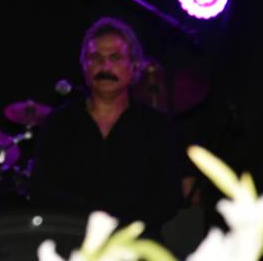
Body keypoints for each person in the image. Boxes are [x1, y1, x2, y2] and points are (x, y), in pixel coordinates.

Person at [31, 17, 184, 235]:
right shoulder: (59, 123)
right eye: (96, 58)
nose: (105, 67)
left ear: (134, 66)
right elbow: (42, 191)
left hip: (136, 245)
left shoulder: (157, 126)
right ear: (84, 66)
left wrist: (123, 228)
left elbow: (168, 197)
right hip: (71, 242)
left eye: (115, 58)